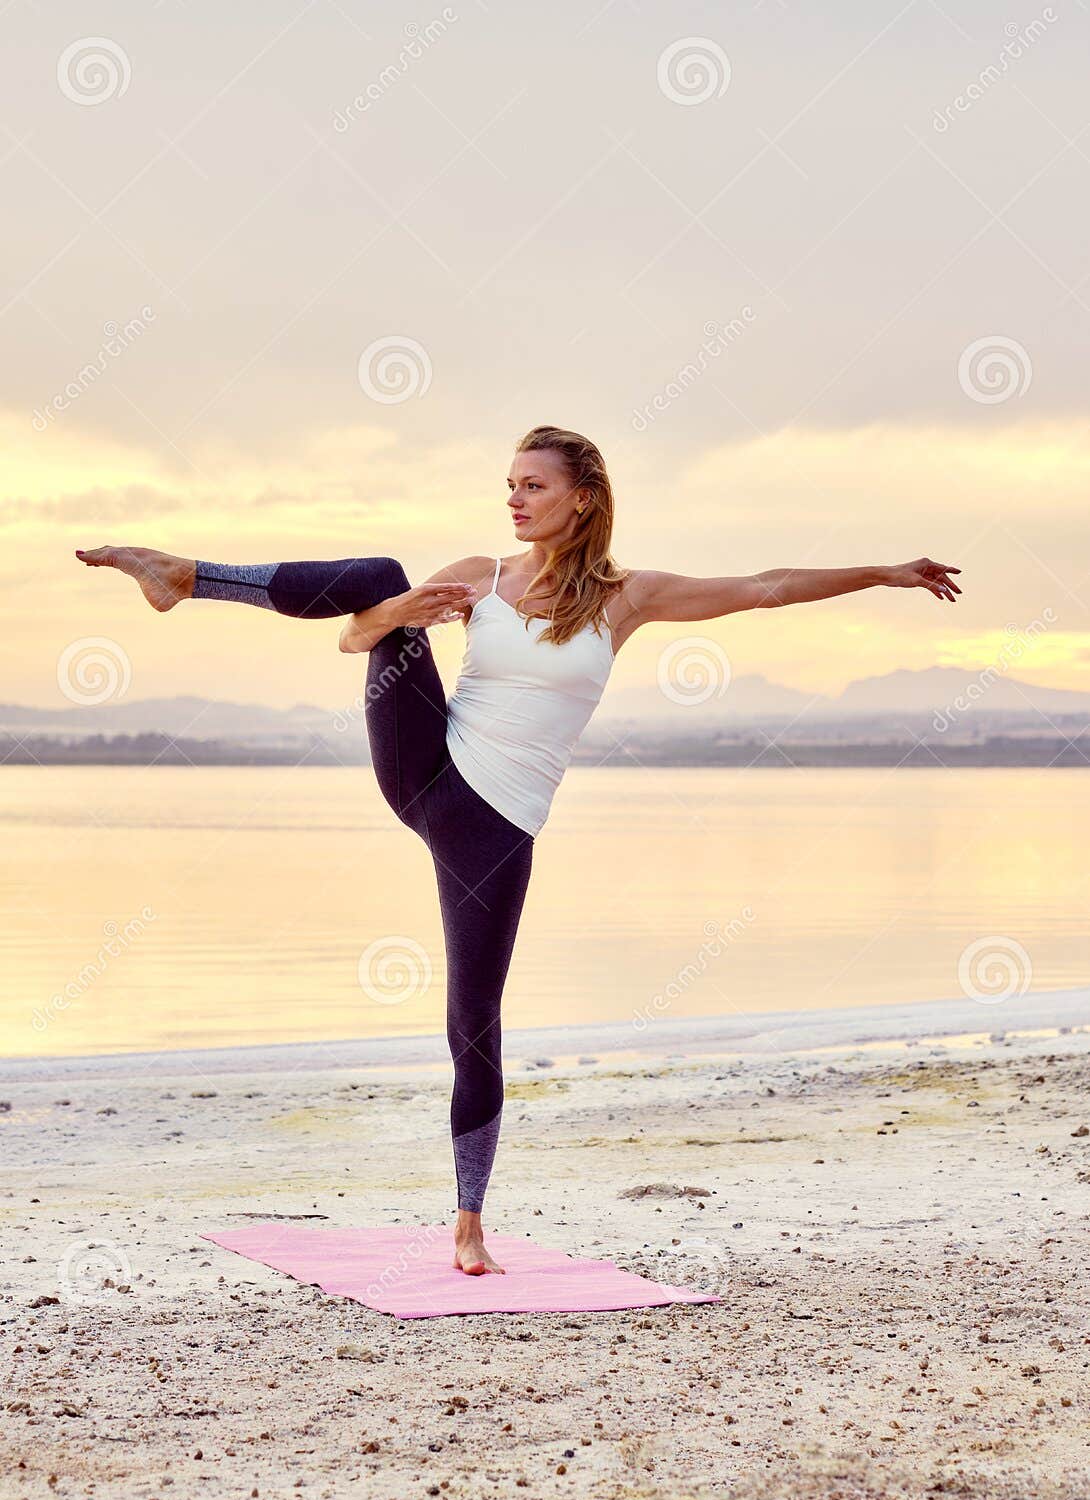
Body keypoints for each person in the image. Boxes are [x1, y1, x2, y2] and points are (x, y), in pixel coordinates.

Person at [76, 423, 962, 1272]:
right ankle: (186, 577)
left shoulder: (628, 599)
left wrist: (885, 572)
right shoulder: (478, 577)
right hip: (425, 765)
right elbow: (355, 636)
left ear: (583, 500)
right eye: (509, 485)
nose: (514, 500)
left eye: (532, 486)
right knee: (381, 576)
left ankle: (468, 1225)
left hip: (495, 827)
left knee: (475, 1020)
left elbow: (765, 585)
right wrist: (400, 612)